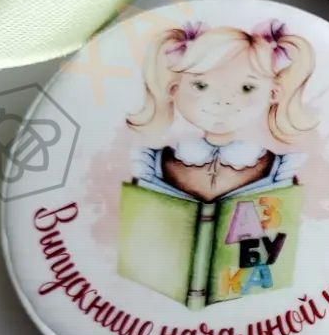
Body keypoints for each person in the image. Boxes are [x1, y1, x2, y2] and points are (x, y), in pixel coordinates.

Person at [125, 18, 318, 202]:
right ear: (174, 89)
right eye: (201, 86)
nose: (222, 101)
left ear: (273, 94)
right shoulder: (150, 164)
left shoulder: (281, 169)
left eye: (247, 88)